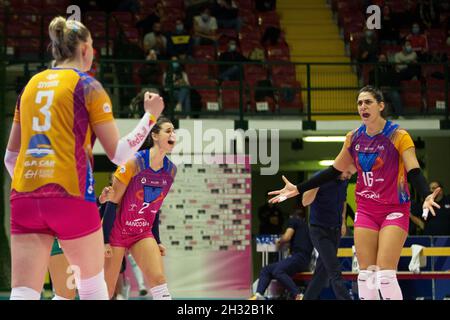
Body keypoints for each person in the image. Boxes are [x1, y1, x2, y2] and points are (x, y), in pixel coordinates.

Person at [3, 16, 165, 300]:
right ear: (85, 50)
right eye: (92, 46)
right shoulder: (87, 85)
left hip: (24, 196)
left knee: (23, 293)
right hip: (70, 194)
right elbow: (118, 154)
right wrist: (150, 117)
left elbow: (10, 157)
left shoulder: (30, 86)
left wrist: (34, 187)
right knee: (92, 289)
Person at [268, 86, 441, 300]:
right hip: (367, 210)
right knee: (365, 277)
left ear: (381, 105)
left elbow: (413, 170)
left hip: (394, 209)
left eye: (368, 102)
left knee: (385, 275)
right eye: (359, 103)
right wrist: (298, 188)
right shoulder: (354, 138)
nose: (363, 107)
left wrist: (426, 194)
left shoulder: (399, 136)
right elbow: (333, 170)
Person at [103, 116, 177, 300]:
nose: (173, 134)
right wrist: (104, 240)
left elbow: (154, 208)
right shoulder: (133, 162)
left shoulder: (171, 170)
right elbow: (112, 202)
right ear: (155, 136)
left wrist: (157, 240)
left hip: (142, 232)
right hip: (116, 232)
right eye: (168, 130)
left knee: (159, 279)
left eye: (174, 131)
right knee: (106, 290)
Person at [301, 168, 355, 300]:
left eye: (351, 174)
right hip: (319, 230)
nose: (348, 176)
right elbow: (305, 201)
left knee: (322, 272)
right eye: (347, 172)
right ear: (342, 165)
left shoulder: (344, 180)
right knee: (334, 269)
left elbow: (343, 201)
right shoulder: (320, 176)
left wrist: (343, 222)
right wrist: (316, 184)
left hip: (335, 230)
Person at [250, 209, 313, 300]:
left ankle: (298, 295)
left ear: (292, 216)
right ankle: (258, 295)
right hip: (304, 260)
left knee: (277, 271)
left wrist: (278, 241)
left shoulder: (293, 221)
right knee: (267, 269)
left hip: (299, 258)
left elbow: (287, 237)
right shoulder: (307, 227)